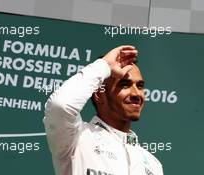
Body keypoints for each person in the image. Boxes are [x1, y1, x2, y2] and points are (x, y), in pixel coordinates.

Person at [43, 45, 163, 175]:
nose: (136, 93)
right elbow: (61, 105)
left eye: (139, 86)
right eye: (125, 85)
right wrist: (104, 65)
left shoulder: (153, 164)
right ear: (99, 94)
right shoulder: (77, 138)